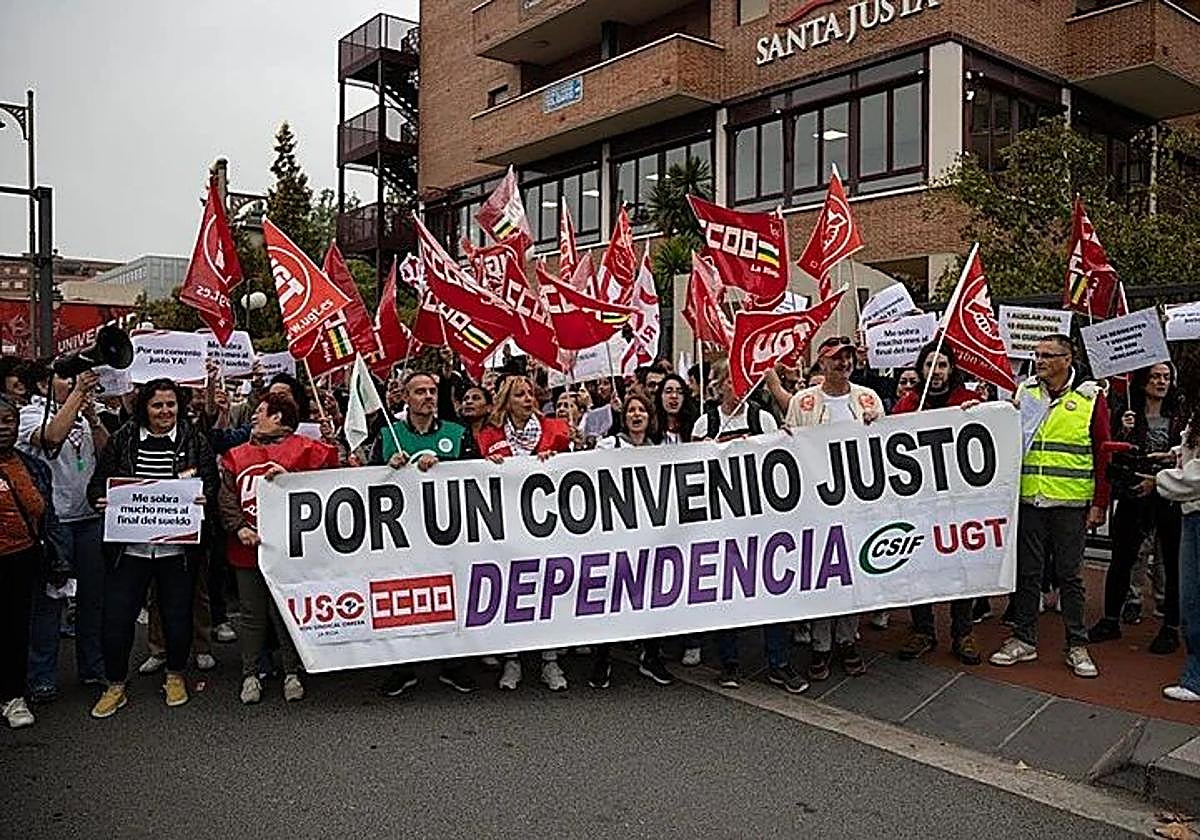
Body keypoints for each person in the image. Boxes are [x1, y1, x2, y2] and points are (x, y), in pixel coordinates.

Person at [88, 379, 219, 718]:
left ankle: (175, 675)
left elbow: (211, 484)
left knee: (177, 616)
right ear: (144, 407)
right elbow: (97, 484)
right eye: (158, 405)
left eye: (171, 405)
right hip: (128, 550)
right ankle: (115, 684)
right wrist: (101, 499)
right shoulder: (122, 440)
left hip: (177, 554)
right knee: (116, 618)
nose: (165, 412)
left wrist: (204, 498)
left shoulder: (195, 440)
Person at [989, 334, 1109, 678]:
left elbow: (1102, 452)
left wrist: (1099, 503)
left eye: (1047, 355)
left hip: (1070, 502)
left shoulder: (1090, 397)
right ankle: (1023, 639)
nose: (1039, 360)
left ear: (1067, 359)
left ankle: (1076, 644)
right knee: (1027, 573)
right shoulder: (1025, 392)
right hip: (1029, 499)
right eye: (1036, 354)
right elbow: (1003, 428)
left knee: (1070, 576)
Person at [693, 360, 806, 694]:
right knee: (728, 594)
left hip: (762, 524)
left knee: (774, 593)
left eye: (744, 381)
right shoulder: (706, 422)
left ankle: (779, 663)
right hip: (724, 524)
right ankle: (729, 662)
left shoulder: (764, 419)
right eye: (732, 381)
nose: (738, 387)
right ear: (720, 385)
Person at [219, 391, 339, 705]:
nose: (254, 416)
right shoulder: (236, 455)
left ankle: (291, 672)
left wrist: (295, 481)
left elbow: (332, 484)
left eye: (261, 411)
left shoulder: (306, 450)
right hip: (248, 548)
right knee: (251, 613)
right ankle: (250, 674)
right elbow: (226, 497)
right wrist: (239, 527)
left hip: (290, 551)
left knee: (286, 613)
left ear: (279, 418)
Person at [370, 371, 478, 696]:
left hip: (449, 533)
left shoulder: (457, 433)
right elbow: (365, 479)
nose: (428, 397)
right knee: (405, 595)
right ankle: (402, 667)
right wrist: (387, 466)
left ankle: (453, 664)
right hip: (402, 536)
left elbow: (478, 476)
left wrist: (445, 464)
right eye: (420, 392)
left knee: (452, 595)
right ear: (406, 398)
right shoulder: (388, 435)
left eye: (432, 391)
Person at [786, 336, 884, 683]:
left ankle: (847, 638)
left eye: (848, 358)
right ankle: (821, 643)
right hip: (816, 503)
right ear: (822, 363)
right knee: (822, 573)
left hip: (856, 503)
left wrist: (878, 425)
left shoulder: (867, 399)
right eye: (835, 359)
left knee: (852, 574)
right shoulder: (804, 402)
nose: (843, 364)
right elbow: (790, 449)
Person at [476, 375, 572, 691]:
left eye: (530, 393)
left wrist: (557, 460)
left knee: (548, 590)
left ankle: (550, 660)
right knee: (511, 591)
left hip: (547, 526)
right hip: (506, 529)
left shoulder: (555, 431)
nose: (528, 399)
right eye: (519, 395)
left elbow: (572, 467)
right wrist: (486, 464)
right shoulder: (489, 436)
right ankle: (512, 660)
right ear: (507, 401)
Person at [19, 364, 108, 702]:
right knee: (49, 603)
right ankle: (41, 675)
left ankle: (92, 666)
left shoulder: (83, 412)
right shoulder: (28, 414)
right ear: (43, 384)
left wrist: (94, 417)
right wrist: (77, 395)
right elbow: (53, 436)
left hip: (88, 518)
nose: (73, 383)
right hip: (53, 523)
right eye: (65, 378)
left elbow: (106, 451)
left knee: (92, 599)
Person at [890, 342, 982, 665]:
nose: (936, 372)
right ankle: (923, 630)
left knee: (960, 566)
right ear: (921, 369)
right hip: (919, 502)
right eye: (930, 365)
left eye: (942, 365)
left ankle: (963, 633)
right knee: (919, 565)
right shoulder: (907, 405)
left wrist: (981, 415)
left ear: (952, 370)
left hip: (957, 503)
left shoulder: (967, 403)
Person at [1090, 363, 1183, 654]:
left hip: (1169, 494)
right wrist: (1124, 430)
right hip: (1133, 493)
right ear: (1142, 381)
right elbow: (1110, 449)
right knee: (1122, 557)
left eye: (1166, 377)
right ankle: (1110, 619)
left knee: (1172, 560)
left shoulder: (1179, 415)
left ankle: (1171, 627)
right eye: (1155, 377)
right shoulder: (1127, 411)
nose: (1161, 382)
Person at [589, 391, 674, 689]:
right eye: (631, 411)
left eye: (642, 411)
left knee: (653, 598)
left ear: (650, 418)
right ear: (623, 418)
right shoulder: (608, 446)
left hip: (652, 539)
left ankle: (651, 656)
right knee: (610, 598)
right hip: (616, 538)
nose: (636, 415)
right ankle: (602, 659)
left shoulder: (663, 449)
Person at [0, 396, 65, 728]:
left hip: (21, 558)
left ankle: (13, 696)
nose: (1, 427)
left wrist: (58, 557)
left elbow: (45, 514)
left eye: (8, 421)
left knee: (14, 629)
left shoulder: (32, 466)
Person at [1147, 374, 1200, 703]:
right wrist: (1175, 457)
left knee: (1193, 596)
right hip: (1192, 511)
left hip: (1197, 511)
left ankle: (1197, 676)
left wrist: (1161, 481)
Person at [654, 374, 697, 445]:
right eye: (668, 391)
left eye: (679, 392)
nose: (674, 396)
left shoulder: (694, 428)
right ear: (660, 396)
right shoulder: (652, 429)